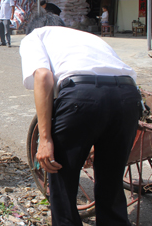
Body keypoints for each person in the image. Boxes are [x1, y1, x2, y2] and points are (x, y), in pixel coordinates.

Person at [19, 14, 141, 226]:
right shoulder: (88, 37)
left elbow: (43, 77)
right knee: (111, 185)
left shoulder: (35, 36)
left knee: (62, 183)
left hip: (82, 95)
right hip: (127, 97)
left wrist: (46, 139)